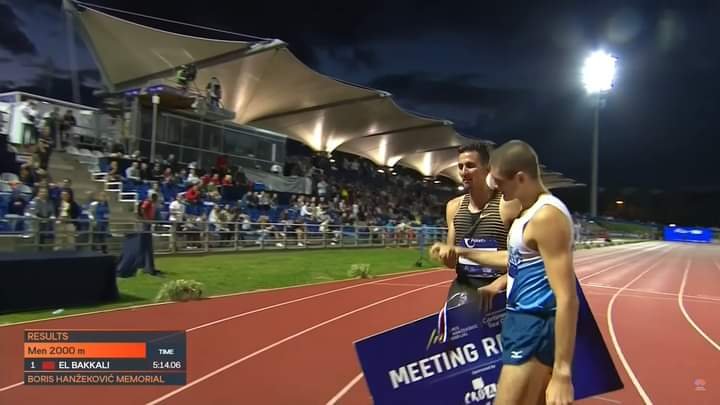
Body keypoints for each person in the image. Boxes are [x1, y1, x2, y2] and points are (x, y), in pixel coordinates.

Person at [433, 140, 578, 405]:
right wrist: (463, 252)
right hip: (519, 320)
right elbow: (511, 260)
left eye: (499, 182)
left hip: (534, 325)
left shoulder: (546, 217)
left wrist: (562, 372)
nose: (496, 189)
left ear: (520, 178)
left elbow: (567, 298)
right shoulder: (527, 213)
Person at [432, 142, 521, 310]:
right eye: (460, 166)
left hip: (499, 292)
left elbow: (522, 261)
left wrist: (499, 284)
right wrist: (445, 254)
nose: (464, 171)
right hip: (463, 291)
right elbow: (452, 262)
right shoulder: (453, 207)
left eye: (470, 166)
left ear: (488, 169)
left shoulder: (509, 205)